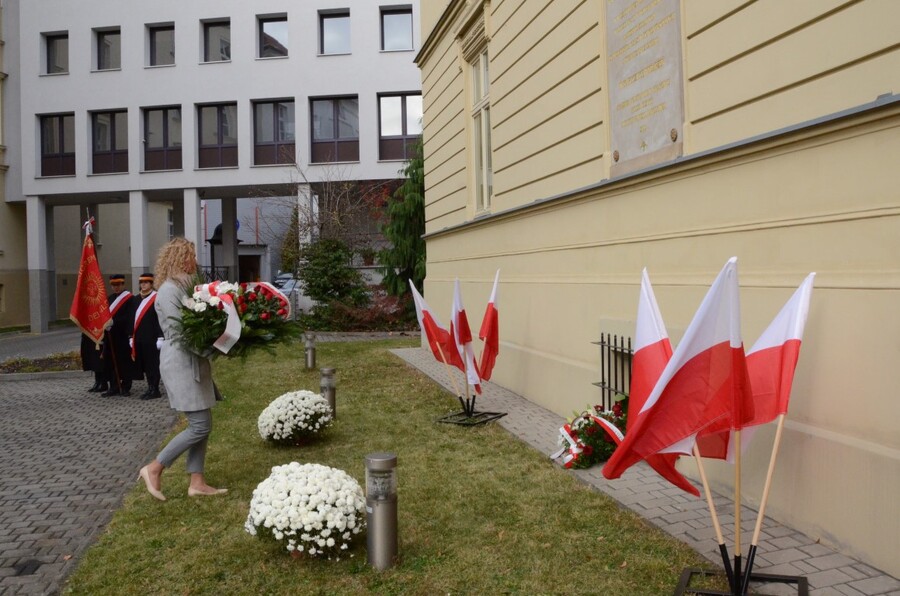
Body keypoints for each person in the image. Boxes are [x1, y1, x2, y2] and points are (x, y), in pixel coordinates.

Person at [138, 238, 227, 500]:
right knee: (200, 425)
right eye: (191, 256)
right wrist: (216, 348)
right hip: (180, 362)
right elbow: (182, 333)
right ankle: (154, 468)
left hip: (190, 361)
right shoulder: (168, 291)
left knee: (203, 422)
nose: (195, 261)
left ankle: (197, 482)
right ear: (179, 259)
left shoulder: (184, 288)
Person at [102, 274, 140, 397]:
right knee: (112, 362)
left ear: (123, 284)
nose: (116, 287)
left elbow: (130, 317)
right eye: (113, 285)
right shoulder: (110, 298)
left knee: (125, 362)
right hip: (111, 336)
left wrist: (115, 322)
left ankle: (125, 387)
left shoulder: (130, 299)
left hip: (123, 336)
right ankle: (114, 386)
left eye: (118, 285)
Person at [131, 272, 163, 400]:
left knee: (153, 364)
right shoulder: (136, 299)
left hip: (152, 338)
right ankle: (149, 387)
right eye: (141, 282)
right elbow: (131, 319)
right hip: (139, 337)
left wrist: (161, 336)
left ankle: (155, 389)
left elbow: (160, 319)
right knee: (144, 364)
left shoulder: (156, 298)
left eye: (146, 282)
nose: (143, 285)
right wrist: (130, 337)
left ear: (151, 284)